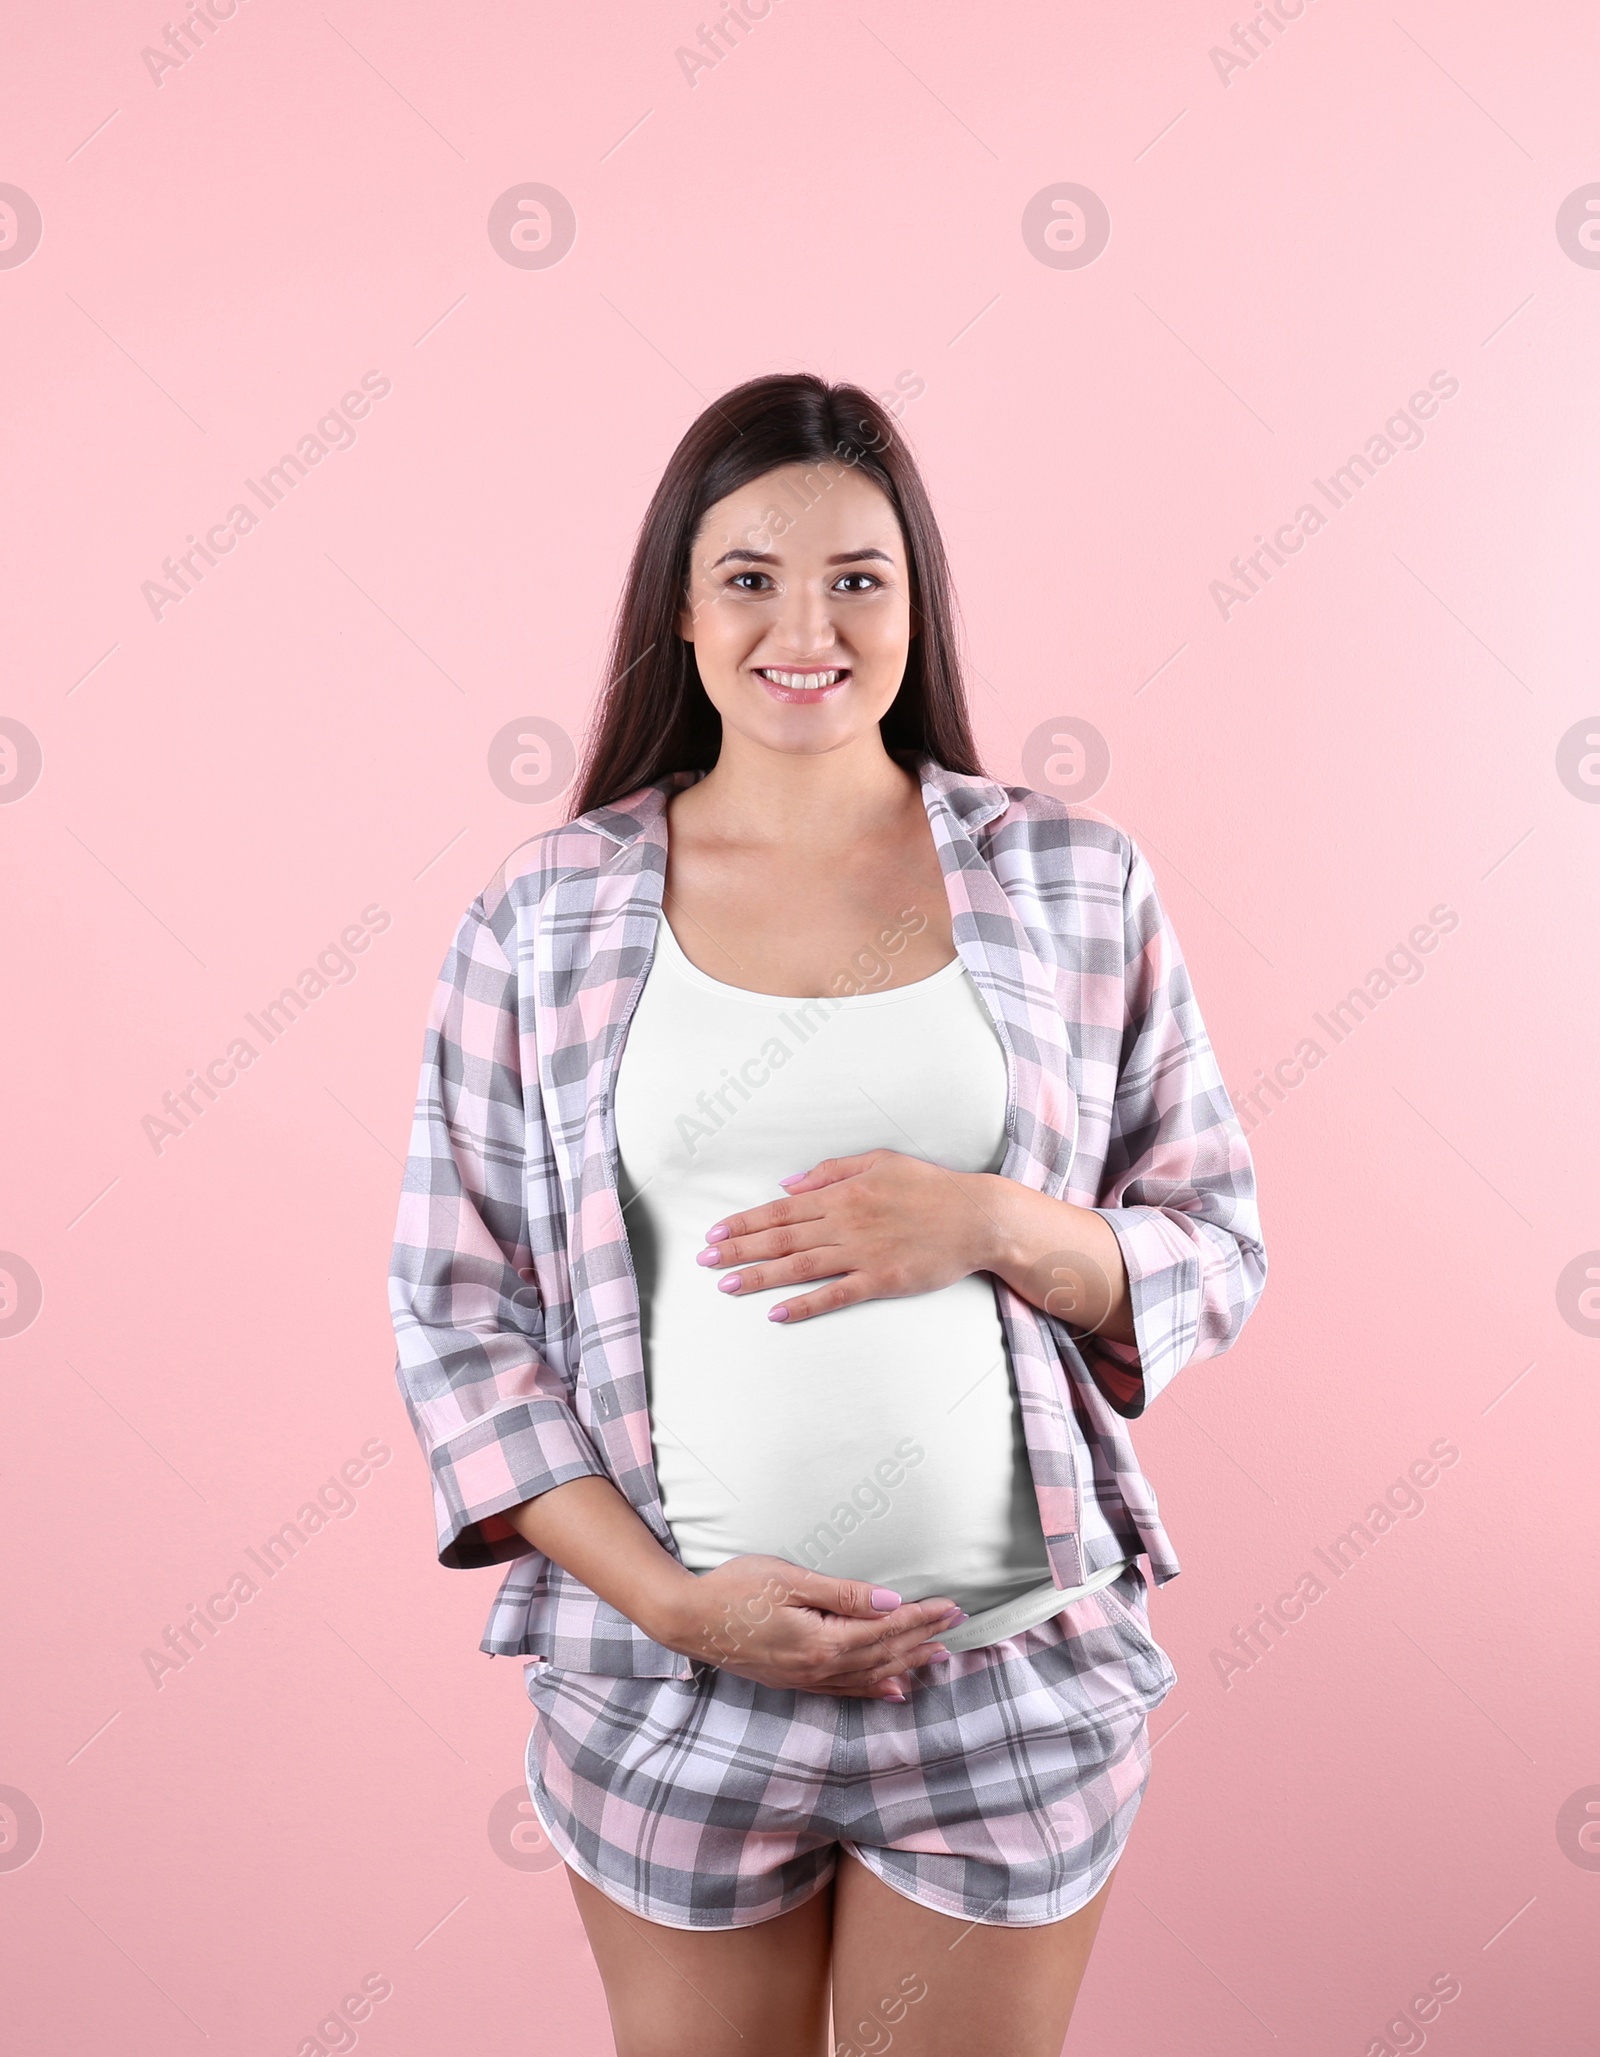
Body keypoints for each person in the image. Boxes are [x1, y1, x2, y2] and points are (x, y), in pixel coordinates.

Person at [388, 372, 1267, 2055]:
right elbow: (457, 1314)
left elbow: (1215, 1237)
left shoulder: (1075, 879)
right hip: (671, 1686)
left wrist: (1000, 1223)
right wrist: (670, 1601)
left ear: (916, 599)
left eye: (858, 576)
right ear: (682, 606)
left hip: (1006, 1676)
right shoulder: (545, 909)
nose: (809, 624)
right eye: (751, 577)